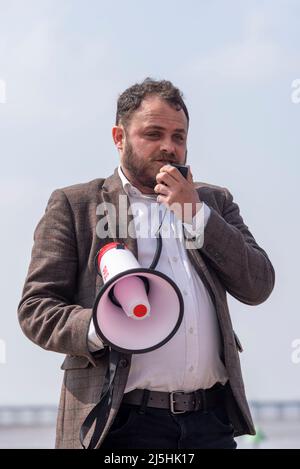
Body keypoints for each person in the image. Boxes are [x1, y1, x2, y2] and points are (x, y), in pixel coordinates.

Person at [18, 78, 275, 449]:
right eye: (153, 134)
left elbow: (258, 285)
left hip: (210, 421)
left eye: (179, 136)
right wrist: (102, 326)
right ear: (118, 137)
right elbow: (35, 310)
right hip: (119, 422)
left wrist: (197, 215)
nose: (169, 147)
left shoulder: (214, 202)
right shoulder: (77, 205)